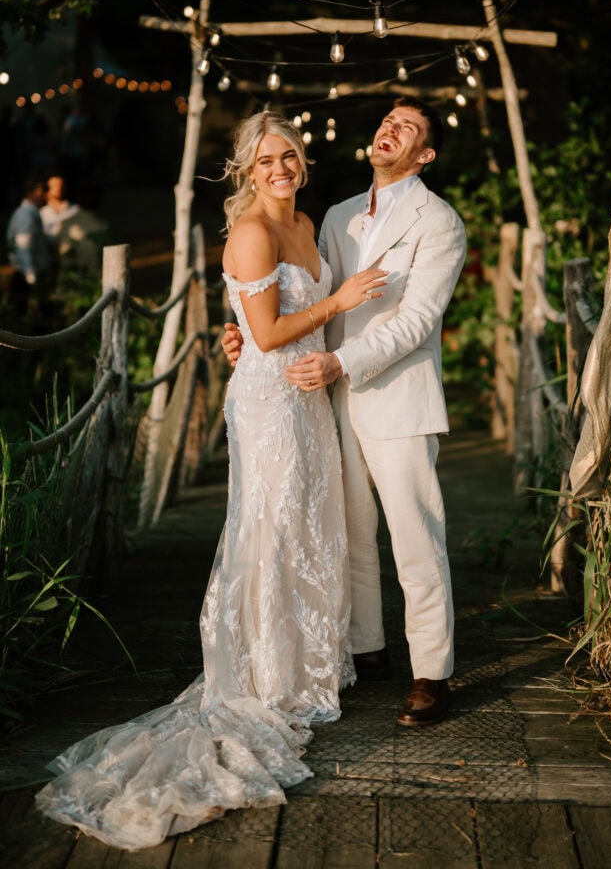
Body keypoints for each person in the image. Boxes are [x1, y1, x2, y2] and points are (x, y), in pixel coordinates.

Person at [35, 111, 387, 852]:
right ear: (247, 172)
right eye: (265, 160)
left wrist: (315, 318)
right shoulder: (254, 231)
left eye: (288, 154)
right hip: (268, 399)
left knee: (306, 528)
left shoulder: (310, 221)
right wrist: (337, 302)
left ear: (302, 160)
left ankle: (301, 669)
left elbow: (266, 321)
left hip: (309, 397)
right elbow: (261, 335)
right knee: (267, 531)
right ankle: (261, 678)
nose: (280, 168)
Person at [223, 97, 466, 727]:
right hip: (320, 398)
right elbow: (294, 293)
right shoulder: (337, 215)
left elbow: (416, 320)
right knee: (350, 531)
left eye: (406, 128)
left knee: (416, 537)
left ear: (425, 154)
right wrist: (244, 334)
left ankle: (431, 674)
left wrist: (342, 362)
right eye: (388, 119)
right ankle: (366, 649)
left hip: (396, 394)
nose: (390, 128)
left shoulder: (439, 222)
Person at [5, 177, 51, 317]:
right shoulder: (26, 215)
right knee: (22, 322)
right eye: (43, 192)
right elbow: (23, 247)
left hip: (29, 276)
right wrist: (30, 275)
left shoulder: (31, 213)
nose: (46, 196)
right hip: (26, 278)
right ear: (35, 193)